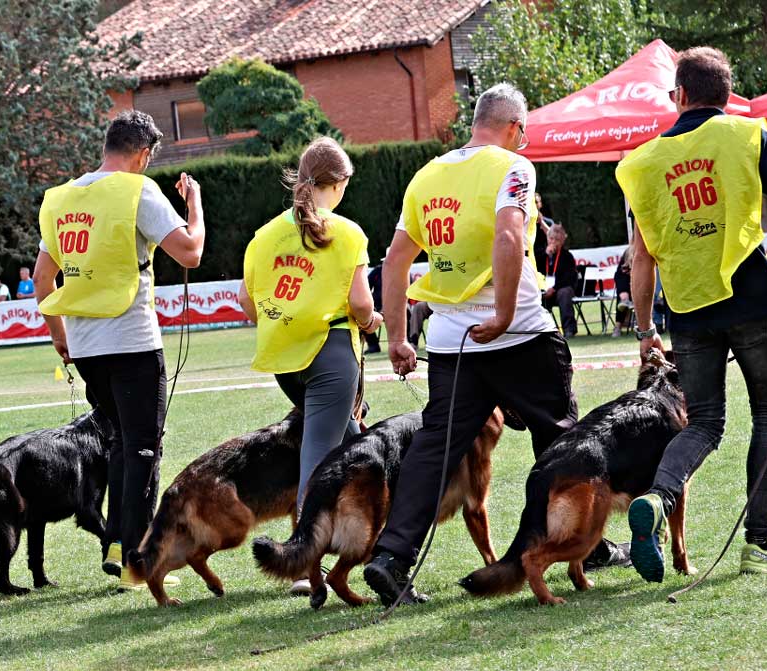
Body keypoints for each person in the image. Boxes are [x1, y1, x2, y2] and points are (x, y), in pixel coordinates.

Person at [362, 83, 600, 606]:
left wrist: (399, 337)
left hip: (451, 341)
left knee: (433, 449)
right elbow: (510, 237)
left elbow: (395, 259)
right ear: (514, 127)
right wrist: (506, 313)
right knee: (563, 436)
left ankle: (391, 556)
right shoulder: (513, 167)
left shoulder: (429, 174)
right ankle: (583, 543)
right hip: (515, 331)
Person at [618, 46, 767, 581]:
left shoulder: (642, 163)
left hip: (689, 311)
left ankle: (658, 496)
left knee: (706, 424)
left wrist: (646, 328)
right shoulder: (747, 135)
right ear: (723, 93)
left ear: (682, 95)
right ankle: (760, 543)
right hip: (752, 299)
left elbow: (641, 258)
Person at [33, 109, 205, 592]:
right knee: (145, 447)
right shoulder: (139, 190)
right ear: (145, 154)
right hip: (131, 340)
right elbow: (191, 251)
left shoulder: (62, 199)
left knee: (118, 443)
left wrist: (59, 334)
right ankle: (134, 558)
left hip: (86, 345)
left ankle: (116, 541)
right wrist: (195, 204)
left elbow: (43, 278)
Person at [237, 136, 379, 596]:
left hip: (285, 358)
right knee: (318, 456)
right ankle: (303, 564)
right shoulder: (349, 232)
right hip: (331, 352)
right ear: (336, 185)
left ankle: (375, 538)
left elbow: (248, 304)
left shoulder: (264, 235)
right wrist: (371, 319)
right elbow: (360, 302)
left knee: (357, 444)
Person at [541, 224, 580, 337]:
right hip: (544, 290)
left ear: (562, 241)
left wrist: (554, 288)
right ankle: (541, 330)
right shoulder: (541, 255)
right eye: (551, 238)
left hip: (559, 290)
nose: (553, 242)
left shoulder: (567, 256)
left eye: (557, 239)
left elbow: (569, 278)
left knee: (565, 292)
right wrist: (545, 255)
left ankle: (569, 329)